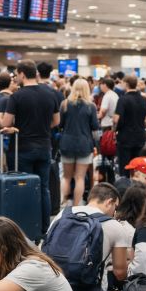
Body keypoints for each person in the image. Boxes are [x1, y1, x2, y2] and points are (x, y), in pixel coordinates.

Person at [1, 59, 61, 235]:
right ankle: (44, 228)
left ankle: (24, 229)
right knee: (43, 188)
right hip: (44, 146)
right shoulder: (51, 93)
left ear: (21, 74)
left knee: (22, 187)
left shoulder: (16, 96)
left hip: (22, 148)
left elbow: (6, 122)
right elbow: (56, 121)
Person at [45, 183, 128, 291]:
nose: (115, 212)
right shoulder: (114, 225)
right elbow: (120, 273)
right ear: (109, 202)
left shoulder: (62, 214)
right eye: (116, 206)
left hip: (52, 282)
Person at [58, 78, 99, 207]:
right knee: (79, 178)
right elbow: (95, 126)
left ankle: (63, 203)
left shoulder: (64, 104)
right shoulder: (91, 106)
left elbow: (60, 124)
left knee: (66, 177)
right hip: (84, 144)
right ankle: (76, 205)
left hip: (67, 143)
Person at [112, 75, 146, 177]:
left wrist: (114, 131)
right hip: (140, 137)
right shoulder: (145, 99)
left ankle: (125, 188)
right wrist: (139, 124)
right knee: (138, 166)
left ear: (126, 84)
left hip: (125, 137)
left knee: (125, 167)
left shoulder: (123, 100)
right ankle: (137, 188)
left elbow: (116, 119)